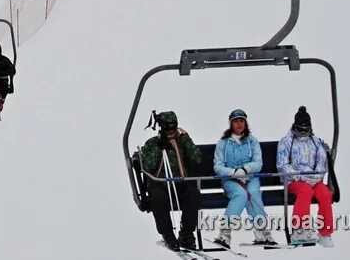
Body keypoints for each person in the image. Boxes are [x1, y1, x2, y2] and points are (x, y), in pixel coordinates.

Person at [141, 111, 203, 251]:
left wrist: (186, 140)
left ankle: (186, 233)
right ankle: (167, 234)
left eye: (173, 128)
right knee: (158, 198)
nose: (171, 132)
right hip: (160, 183)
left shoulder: (182, 141)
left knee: (193, 195)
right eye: (167, 129)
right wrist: (159, 147)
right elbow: (147, 166)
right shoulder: (152, 143)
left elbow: (197, 158)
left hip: (180, 182)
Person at [214, 108, 276, 248]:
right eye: (236, 121)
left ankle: (262, 231)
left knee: (253, 193)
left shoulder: (252, 141)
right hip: (230, 179)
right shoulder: (223, 143)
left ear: (246, 123)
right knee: (240, 194)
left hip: (250, 177)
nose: (239, 124)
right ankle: (225, 233)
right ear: (231, 124)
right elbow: (218, 166)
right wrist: (233, 172)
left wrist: (245, 170)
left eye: (242, 121)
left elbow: (258, 162)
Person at [277, 106, 335, 247]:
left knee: (325, 194)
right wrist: (301, 177)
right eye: (300, 130)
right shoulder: (287, 142)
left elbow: (322, 161)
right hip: (294, 180)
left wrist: (316, 176)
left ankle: (325, 232)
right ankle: (300, 228)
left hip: (314, 179)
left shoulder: (315, 141)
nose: (303, 133)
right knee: (306, 191)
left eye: (306, 130)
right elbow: (282, 165)